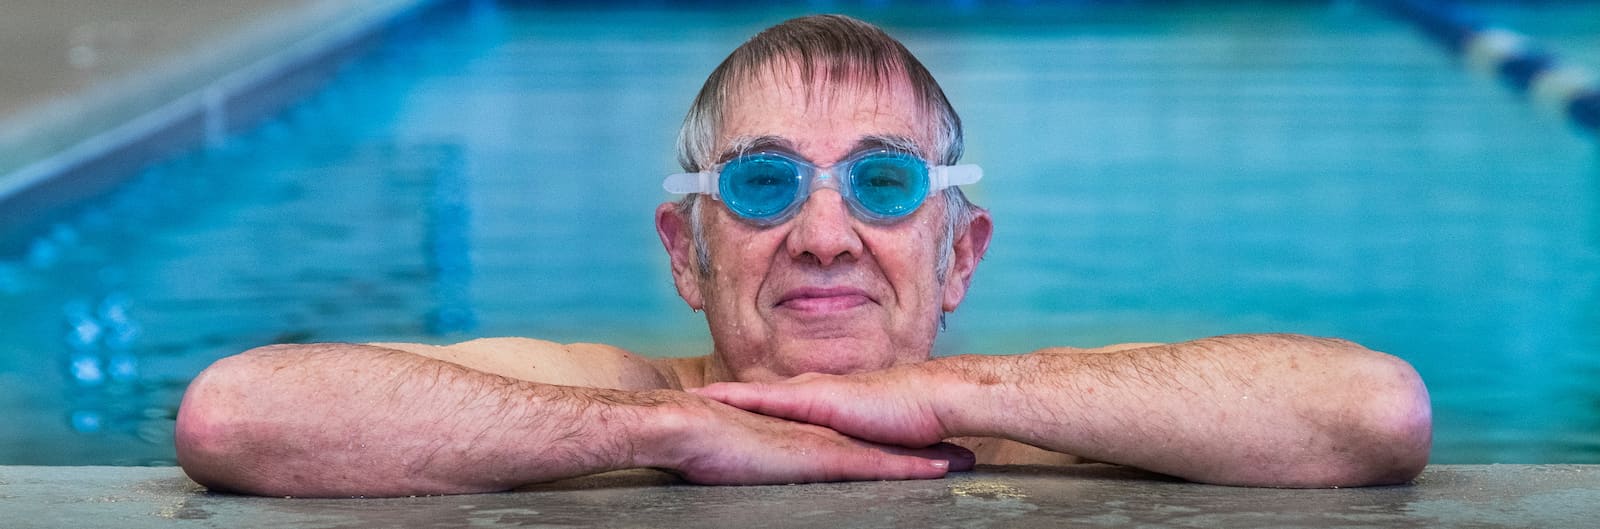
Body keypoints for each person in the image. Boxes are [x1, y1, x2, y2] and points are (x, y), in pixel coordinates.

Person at [174, 14, 1431, 498]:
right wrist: (665, 437)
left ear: (959, 253)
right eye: (764, 182)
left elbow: (1370, 409)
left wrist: (946, 397)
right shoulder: (613, 400)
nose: (823, 235)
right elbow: (240, 414)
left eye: (884, 183)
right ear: (685, 246)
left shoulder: (1024, 412)